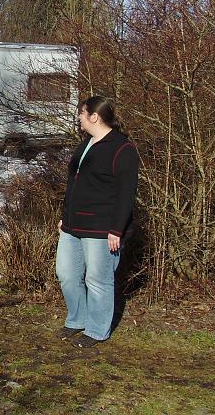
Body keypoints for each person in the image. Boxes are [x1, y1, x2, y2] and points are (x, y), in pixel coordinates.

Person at [55, 95, 139, 348]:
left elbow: (127, 193)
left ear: (95, 116)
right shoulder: (86, 143)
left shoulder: (122, 149)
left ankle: (96, 329)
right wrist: (64, 216)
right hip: (72, 226)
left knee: (98, 280)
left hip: (102, 229)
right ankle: (77, 319)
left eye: (82, 112)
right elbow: (75, 184)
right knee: (66, 274)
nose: (78, 117)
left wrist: (117, 230)